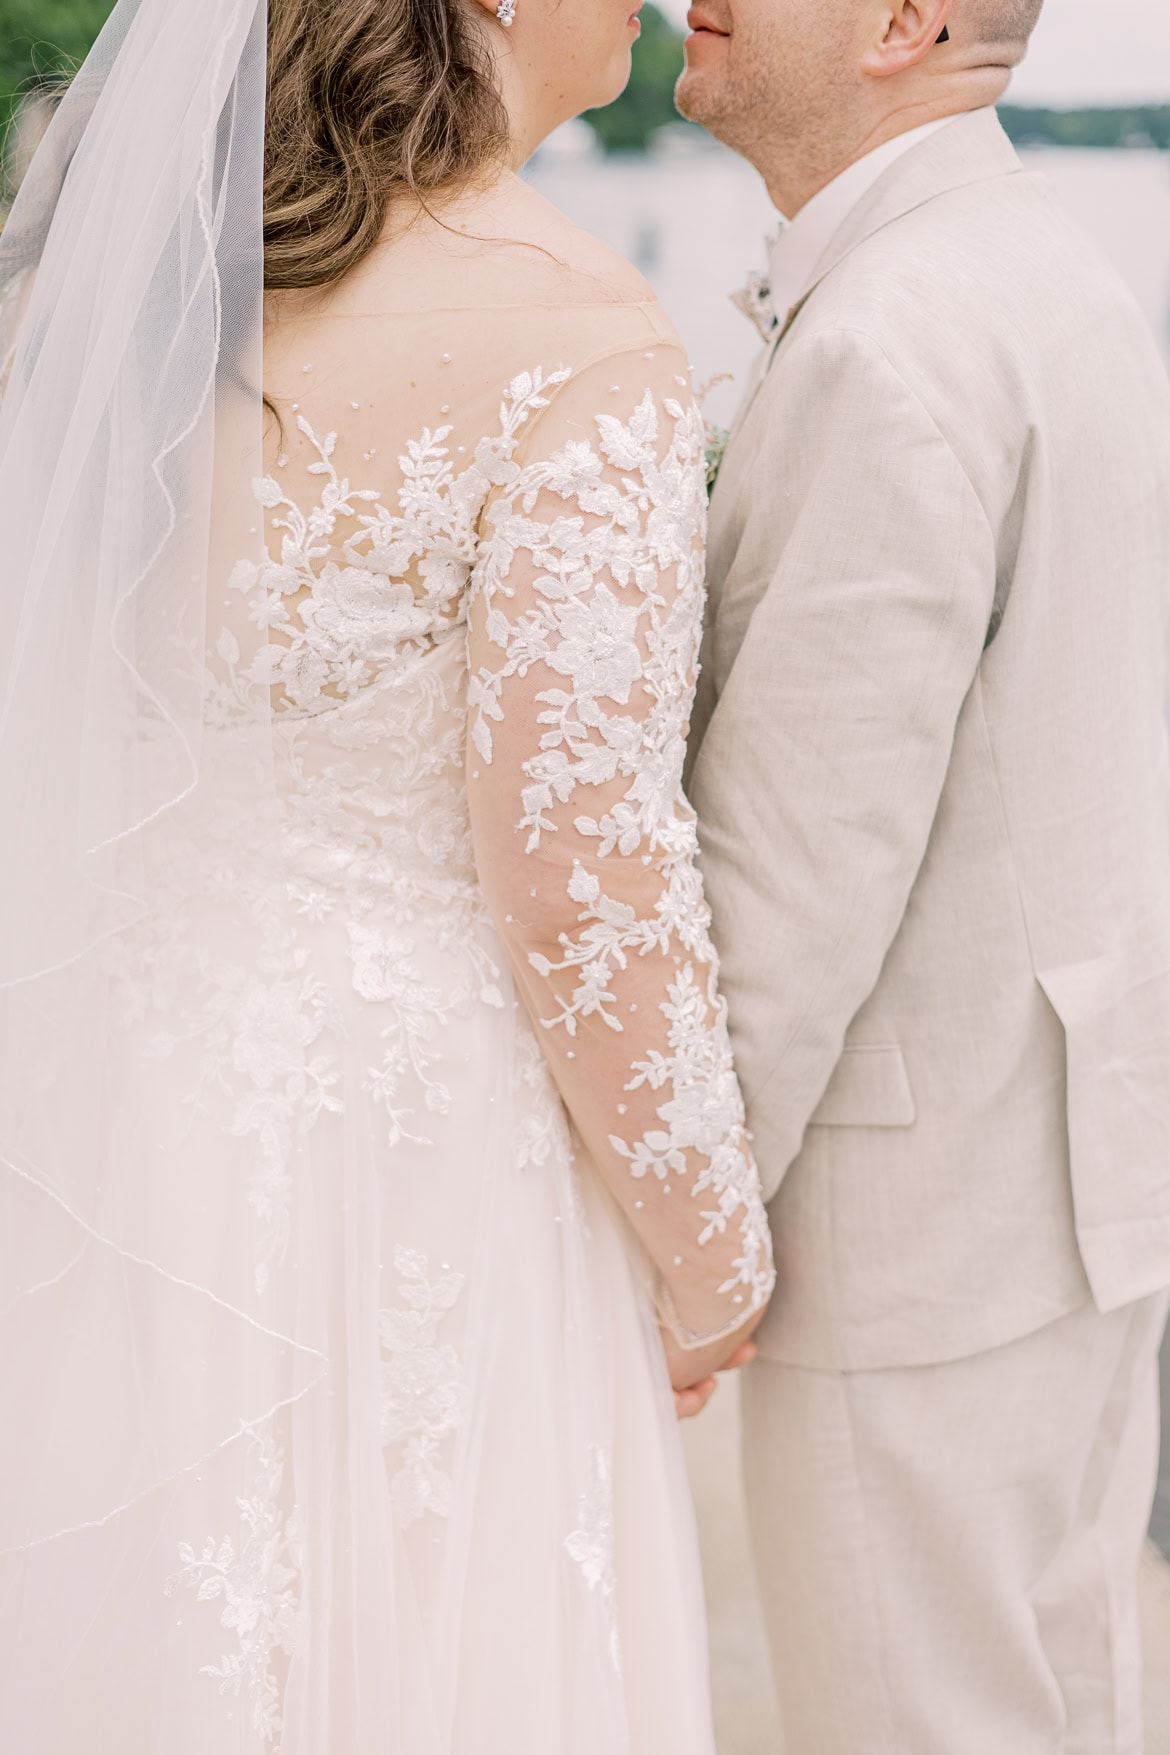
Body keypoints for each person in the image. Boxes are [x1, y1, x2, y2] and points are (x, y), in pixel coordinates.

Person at [0, 0, 773, 1749]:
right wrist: (708, 1253)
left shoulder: (85, 299)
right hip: (414, 1163)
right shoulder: (571, 330)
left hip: (92, 1129)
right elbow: (579, 870)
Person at [678, 0, 1170, 1750]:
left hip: (918, 1216)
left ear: (904, 23)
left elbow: (802, 858)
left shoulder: (891, 333)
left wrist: (689, 1239)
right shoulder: (1043, 270)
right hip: (1064, 1175)